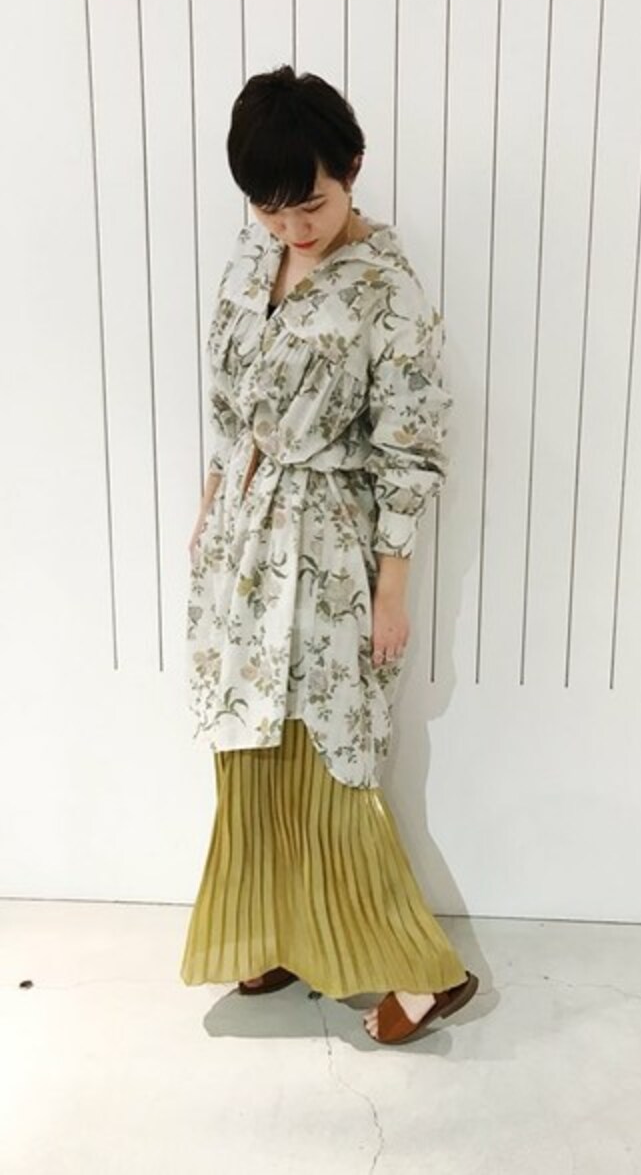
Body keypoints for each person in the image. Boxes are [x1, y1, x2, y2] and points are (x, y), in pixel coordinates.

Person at [179, 65, 478, 1045]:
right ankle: (277, 930)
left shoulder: (387, 291)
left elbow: (411, 447)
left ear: (351, 167)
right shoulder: (251, 255)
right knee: (248, 742)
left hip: (328, 546)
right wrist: (213, 495)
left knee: (330, 754)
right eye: (269, 207)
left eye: (309, 202)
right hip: (243, 542)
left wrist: (393, 586)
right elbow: (226, 396)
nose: (291, 226)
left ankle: (424, 971)